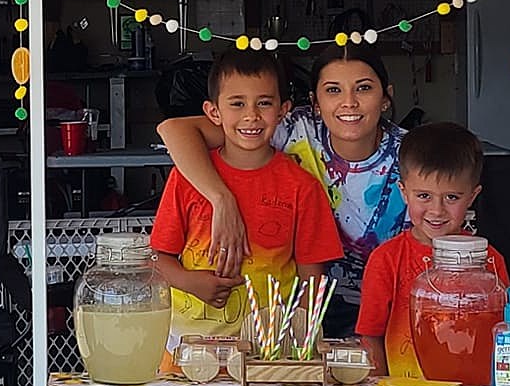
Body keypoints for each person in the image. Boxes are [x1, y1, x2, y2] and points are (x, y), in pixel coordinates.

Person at [157, 51, 405, 335]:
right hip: (189, 345)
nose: (348, 101)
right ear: (313, 102)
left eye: (363, 88)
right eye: (333, 90)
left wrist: (298, 341)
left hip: (362, 315)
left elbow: (311, 280)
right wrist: (221, 200)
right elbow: (158, 257)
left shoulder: (407, 157)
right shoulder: (292, 131)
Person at [151, 48, 342, 354]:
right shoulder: (187, 177)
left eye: (264, 103)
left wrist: (302, 348)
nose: (251, 115)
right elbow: (158, 261)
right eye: (237, 104)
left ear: (283, 110)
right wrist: (190, 282)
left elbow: (311, 281)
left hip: (264, 356)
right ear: (214, 112)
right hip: (183, 354)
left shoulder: (302, 187)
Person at [356, 121, 509, 378]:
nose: (437, 210)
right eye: (424, 196)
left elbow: (503, 333)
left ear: (472, 196)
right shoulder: (386, 259)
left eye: (452, 197)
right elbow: (370, 337)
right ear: (404, 193)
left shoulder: (490, 261)